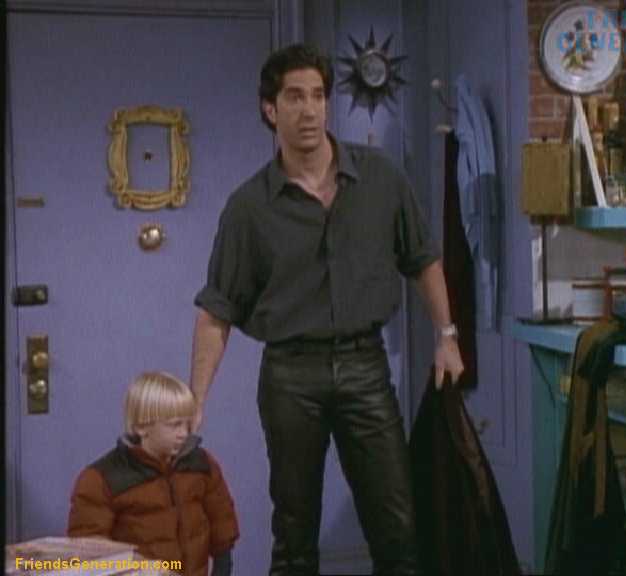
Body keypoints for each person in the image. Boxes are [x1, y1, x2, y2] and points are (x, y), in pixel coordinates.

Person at [190, 43, 464, 576]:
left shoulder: (380, 178)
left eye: (317, 96)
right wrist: (196, 399)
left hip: (365, 366)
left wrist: (447, 336)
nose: (309, 110)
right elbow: (217, 309)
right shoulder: (249, 207)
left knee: (398, 529)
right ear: (270, 109)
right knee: (294, 535)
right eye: (295, 97)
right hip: (291, 375)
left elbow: (423, 259)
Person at [67, 371, 239, 576]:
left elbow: (222, 523)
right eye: (175, 424)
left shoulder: (201, 464)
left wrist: (222, 568)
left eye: (187, 423)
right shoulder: (102, 478)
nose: (184, 433)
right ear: (141, 426)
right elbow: (89, 547)